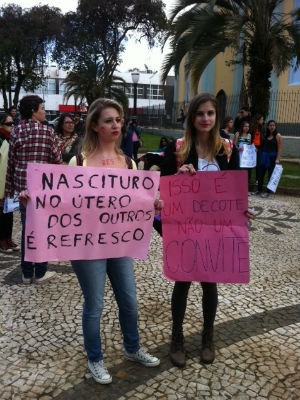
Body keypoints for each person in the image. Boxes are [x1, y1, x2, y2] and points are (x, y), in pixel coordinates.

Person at [68, 98, 162, 385]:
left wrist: (152, 205)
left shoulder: (130, 163)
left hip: (119, 244)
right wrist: (33, 200)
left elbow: (135, 204)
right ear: (95, 125)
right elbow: (61, 204)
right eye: (109, 120)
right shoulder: (78, 161)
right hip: (88, 246)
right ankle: (95, 358)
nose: (116, 125)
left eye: (119, 120)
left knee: (129, 301)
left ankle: (133, 348)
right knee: (94, 305)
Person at [158, 93, 254, 368]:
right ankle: (177, 337)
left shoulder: (226, 149)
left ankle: (208, 337)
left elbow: (236, 188)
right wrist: (177, 176)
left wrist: (242, 210)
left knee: (210, 281)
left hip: (216, 228)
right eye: (200, 113)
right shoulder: (177, 148)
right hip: (185, 227)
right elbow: (162, 184)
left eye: (210, 113)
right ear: (192, 117)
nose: (205, 118)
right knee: (183, 280)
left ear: (216, 117)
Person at [5, 95, 62, 284]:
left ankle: (26, 272)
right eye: (43, 108)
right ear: (33, 110)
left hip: (23, 189)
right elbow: (56, 160)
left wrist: (9, 187)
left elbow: (11, 161)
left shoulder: (16, 131)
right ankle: (41, 272)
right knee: (43, 229)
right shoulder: (48, 132)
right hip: (44, 188)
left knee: (27, 228)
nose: (45, 111)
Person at [0, 113, 20, 253]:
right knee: (1, 213)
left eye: (13, 123)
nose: (12, 126)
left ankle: (8, 237)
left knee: (9, 211)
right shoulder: (1, 141)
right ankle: (2, 240)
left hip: (9, 183)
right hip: (1, 183)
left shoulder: (11, 140)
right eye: (8, 124)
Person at [256, 120, 282, 198]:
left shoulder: (278, 136)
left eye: (273, 125)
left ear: (275, 126)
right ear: (268, 126)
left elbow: (280, 148)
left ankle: (268, 192)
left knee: (270, 175)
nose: (272, 127)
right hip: (264, 157)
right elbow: (262, 146)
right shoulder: (265, 135)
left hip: (272, 158)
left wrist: (277, 159)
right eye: (270, 125)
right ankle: (259, 190)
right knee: (260, 174)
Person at [233, 120, 253, 190]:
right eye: (245, 126)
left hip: (246, 155)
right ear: (242, 127)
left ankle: (244, 188)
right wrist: (238, 148)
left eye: (248, 126)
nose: (246, 128)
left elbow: (250, 145)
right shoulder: (238, 134)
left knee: (245, 171)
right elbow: (234, 144)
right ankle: (237, 186)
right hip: (239, 154)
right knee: (239, 169)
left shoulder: (249, 135)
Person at [250, 113, 265, 187]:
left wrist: (259, 148)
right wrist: (253, 147)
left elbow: (263, 139)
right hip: (252, 148)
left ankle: (257, 180)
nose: (263, 121)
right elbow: (251, 138)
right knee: (250, 164)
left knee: (258, 165)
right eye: (262, 119)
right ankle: (248, 179)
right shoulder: (252, 128)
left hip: (259, 148)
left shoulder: (262, 128)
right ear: (258, 120)